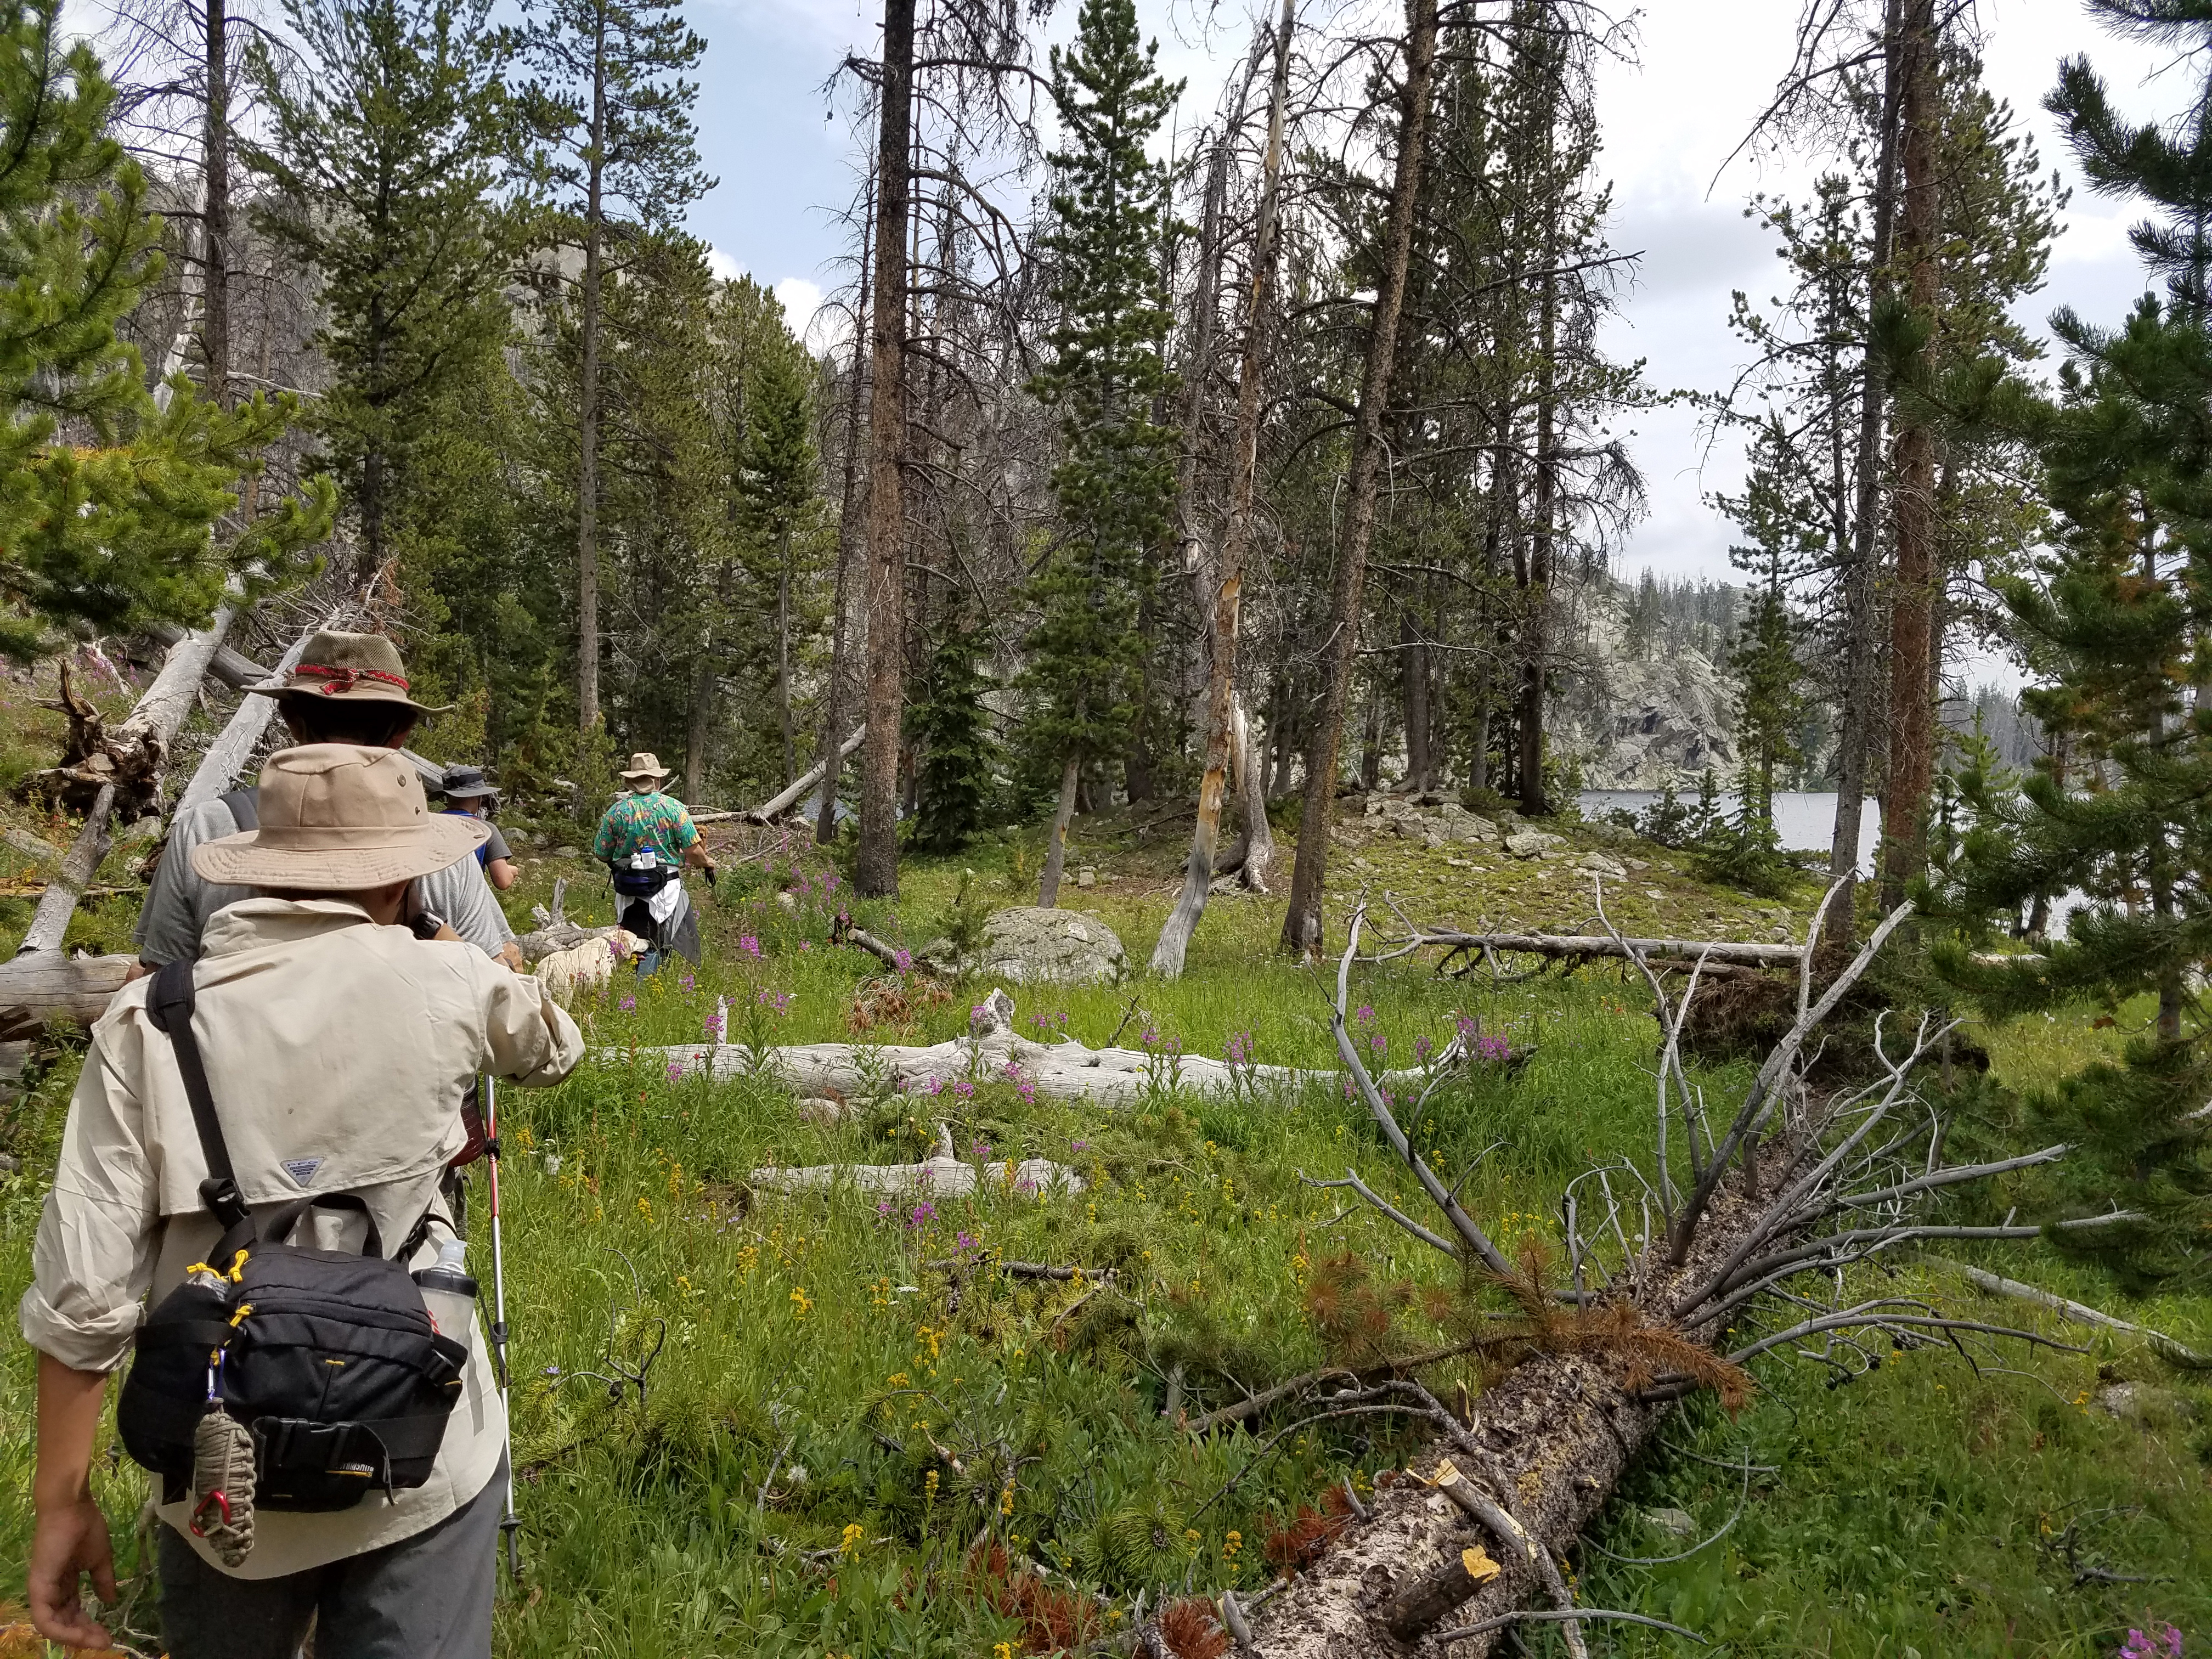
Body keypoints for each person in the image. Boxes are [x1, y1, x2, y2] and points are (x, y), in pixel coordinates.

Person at [22, 743, 585, 1659]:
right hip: (423, 1436)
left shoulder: (152, 1015)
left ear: (264, 866)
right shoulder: (455, 980)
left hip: (219, 1450)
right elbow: (554, 1049)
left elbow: (86, 1291)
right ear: (403, 873)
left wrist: (62, 1496)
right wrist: (449, 950)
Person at [136, 631, 522, 972]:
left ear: (291, 719)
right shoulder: (445, 850)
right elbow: (492, 987)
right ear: (402, 732)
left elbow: (162, 980)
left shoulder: (204, 830)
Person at [592, 752, 716, 975]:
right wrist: (707, 862)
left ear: (631, 781)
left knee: (630, 939)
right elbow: (692, 851)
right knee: (658, 940)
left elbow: (602, 853)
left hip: (628, 886)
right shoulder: (673, 808)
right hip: (664, 887)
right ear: (657, 779)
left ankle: (627, 986)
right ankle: (647, 989)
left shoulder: (616, 811)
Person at [439, 766, 516, 892]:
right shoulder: (485, 829)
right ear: (477, 796)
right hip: (466, 904)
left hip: (428, 905)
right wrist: (511, 871)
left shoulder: (430, 824)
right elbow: (503, 881)